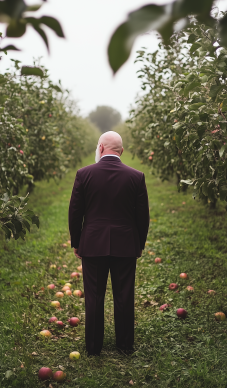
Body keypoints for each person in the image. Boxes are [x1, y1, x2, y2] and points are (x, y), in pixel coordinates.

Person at [68, 131, 150, 356]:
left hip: (93, 244)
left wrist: (77, 241)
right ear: (121, 152)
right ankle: (124, 345)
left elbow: (75, 213)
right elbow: (143, 216)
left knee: (94, 296)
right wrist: (139, 243)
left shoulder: (84, 174)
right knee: (124, 295)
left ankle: (94, 347)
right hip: (126, 245)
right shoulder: (136, 176)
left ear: (100, 148)